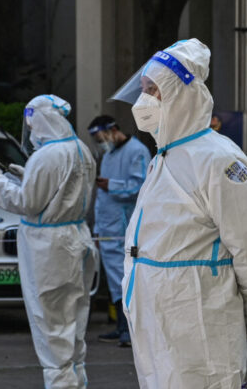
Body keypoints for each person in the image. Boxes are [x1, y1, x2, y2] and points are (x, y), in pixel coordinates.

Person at [110, 38, 247, 388]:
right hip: (159, 318)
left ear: (180, 95)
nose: (143, 100)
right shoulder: (165, 156)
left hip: (199, 314)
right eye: (142, 89)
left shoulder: (219, 160)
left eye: (153, 90)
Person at [0, 94, 98, 389]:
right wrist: (28, 176)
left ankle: (61, 384)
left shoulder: (47, 155)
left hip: (49, 247)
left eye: (32, 123)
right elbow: (62, 190)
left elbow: (28, 202)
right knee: (74, 319)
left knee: (50, 322)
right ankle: (76, 381)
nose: (31, 130)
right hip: (77, 237)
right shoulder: (80, 149)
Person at [88, 115, 151, 347]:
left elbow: (142, 186)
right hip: (107, 227)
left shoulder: (137, 151)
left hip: (125, 225)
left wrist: (112, 185)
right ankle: (121, 326)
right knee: (115, 278)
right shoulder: (109, 155)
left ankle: (131, 328)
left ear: (114, 130)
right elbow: (100, 199)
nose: (100, 142)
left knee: (127, 276)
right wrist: (97, 230)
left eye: (101, 137)